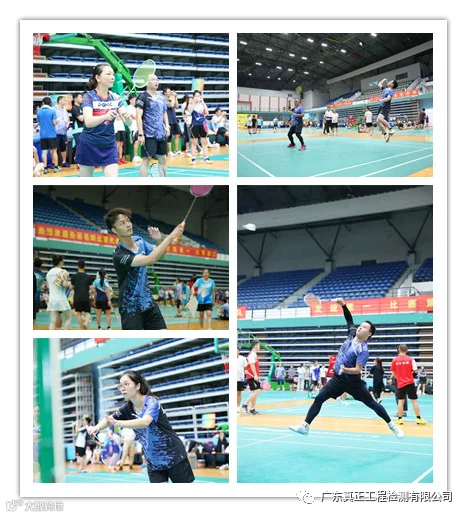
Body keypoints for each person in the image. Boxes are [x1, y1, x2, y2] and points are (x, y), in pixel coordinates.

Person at [289, 297, 404, 439]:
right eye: (360, 325)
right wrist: (343, 305)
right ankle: (305, 426)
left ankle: (393, 426)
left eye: (364, 327)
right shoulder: (351, 334)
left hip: (353, 382)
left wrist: (346, 369)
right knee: (319, 398)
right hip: (337, 380)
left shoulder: (363, 350)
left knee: (371, 403)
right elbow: (349, 320)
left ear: (369, 334)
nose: (360, 327)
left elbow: (358, 370)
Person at [87, 371, 195, 483]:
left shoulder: (152, 402)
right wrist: (96, 428)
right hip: (153, 462)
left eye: (126, 384)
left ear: (138, 386)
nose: (122, 388)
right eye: (120, 385)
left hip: (174, 456)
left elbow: (145, 421)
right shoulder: (127, 408)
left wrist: (119, 423)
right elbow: (108, 419)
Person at [104, 207, 184, 330]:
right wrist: (170, 237)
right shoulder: (119, 255)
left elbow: (160, 256)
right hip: (130, 308)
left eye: (128, 221)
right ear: (114, 230)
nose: (128, 225)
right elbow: (151, 259)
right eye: (122, 223)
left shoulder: (139, 241)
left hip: (148, 303)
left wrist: (158, 240)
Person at [75, 63, 132, 177]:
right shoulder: (89, 97)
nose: (112, 77)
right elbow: (88, 122)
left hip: (108, 144)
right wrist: (105, 116)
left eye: (113, 74)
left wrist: (127, 117)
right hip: (89, 144)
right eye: (108, 74)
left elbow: (128, 123)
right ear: (98, 77)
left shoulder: (116, 97)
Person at [136, 75, 170, 177]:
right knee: (146, 160)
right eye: (153, 80)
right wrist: (141, 133)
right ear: (147, 83)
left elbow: (164, 112)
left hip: (160, 134)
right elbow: (138, 116)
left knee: (163, 159)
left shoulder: (161, 97)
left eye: (157, 80)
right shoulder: (143, 97)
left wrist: (167, 125)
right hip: (148, 134)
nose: (156, 81)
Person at [390, 345, 427, 426]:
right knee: (414, 401)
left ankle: (399, 419)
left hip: (400, 383)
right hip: (410, 383)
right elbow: (416, 371)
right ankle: (419, 418)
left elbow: (393, 373)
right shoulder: (411, 359)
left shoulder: (394, 360)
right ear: (407, 350)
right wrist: (410, 377)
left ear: (398, 350)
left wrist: (399, 378)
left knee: (400, 402)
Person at [46, 254, 72, 330]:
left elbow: (48, 286)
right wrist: (69, 284)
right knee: (68, 318)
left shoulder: (49, 273)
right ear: (61, 262)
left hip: (52, 299)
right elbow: (64, 285)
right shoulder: (63, 272)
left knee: (52, 321)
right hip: (61, 299)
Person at [36, 96, 60, 174]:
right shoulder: (52, 111)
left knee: (44, 152)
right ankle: (56, 167)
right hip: (52, 135)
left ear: (43, 103)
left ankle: (45, 168)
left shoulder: (39, 112)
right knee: (54, 151)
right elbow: (54, 123)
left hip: (43, 135)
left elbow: (39, 123)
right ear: (50, 103)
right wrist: (58, 121)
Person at [188, 90, 212, 165]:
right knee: (194, 142)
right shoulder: (190, 104)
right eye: (196, 96)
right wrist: (193, 103)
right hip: (194, 125)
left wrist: (204, 104)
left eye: (199, 96)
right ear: (193, 97)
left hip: (203, 124)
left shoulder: (202, 104)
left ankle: (206, 158)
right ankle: (193, 158)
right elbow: (189, 112)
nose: (197, 97)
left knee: (204, 142)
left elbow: (207, 113)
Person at [70, 260, 94, 330]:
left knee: (79, 313)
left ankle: (81, 328)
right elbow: (91, 288)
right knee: (88, 312)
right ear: (85, 266)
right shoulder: (88, 277)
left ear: (77, 266)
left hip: (77, 297)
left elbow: (71, 287)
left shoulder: (74, 276)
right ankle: (86, 322)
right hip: (85, 297)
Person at [241, 340, 262, 415]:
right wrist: (255, 375)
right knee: (257, 391)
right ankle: (245, 404)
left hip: (254, 376)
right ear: (255, 346)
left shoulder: (254, 354)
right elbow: (252, 365)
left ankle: (252, 409)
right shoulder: (252, 355)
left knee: (255, 392)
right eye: (259, 345)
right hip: (251, 376)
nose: (259, 347)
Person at [376, 77, 398, 143]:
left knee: (380, 118)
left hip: (385, 107)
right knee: (378, 121)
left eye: (390, 81)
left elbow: (388, 98)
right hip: (381, 107)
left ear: (392, 84)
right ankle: (385, 134)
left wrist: (381, 100)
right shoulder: (385, 89)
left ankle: (391, 129)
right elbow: (379, 84)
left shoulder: (391, 91)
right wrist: (384, 79)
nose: (389, 82)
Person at [162, 87, 182, 157]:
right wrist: (173, 97)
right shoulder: (163, 100)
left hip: (174, 119)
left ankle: (176, 150)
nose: (170, 93)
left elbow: (176, 105)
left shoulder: (171, 99)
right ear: (165, 93)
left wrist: (175, 97)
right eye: (169, 92)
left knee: (177, 134)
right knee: (169, 136)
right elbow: (171, 105)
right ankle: (170, 151)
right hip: (168, 119)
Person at [54, 95, 71, 167]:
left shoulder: (64, 110)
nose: (66, 101)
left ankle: (64, 162)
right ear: (60, 101)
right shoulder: (54, 110)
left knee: (63, 147)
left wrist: (67, 124)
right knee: (54, 148)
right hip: (56, 132)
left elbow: (68, 120)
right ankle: (54, 163)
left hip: (64, 132)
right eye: (64, 100)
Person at [126, 93, 140, 163]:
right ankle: (135, 156)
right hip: (133, 128)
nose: (136, 101)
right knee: (136, 141)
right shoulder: (129, 108)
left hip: (137, 127)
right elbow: (135, 116)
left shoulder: (135, 108)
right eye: (134, 100)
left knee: (138, 141)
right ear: (130, 100)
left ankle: (136, 155)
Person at [70, 92, 84, 165]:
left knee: (84, 146)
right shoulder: (74, 108)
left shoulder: (82, 107)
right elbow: (81, 119)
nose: (82, 99)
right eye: (80, 97)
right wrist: (88, 116)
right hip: (77, 130)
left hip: (84, 129)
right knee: (79, 146)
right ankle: (78, 162)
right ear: (75, 98)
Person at [33, 257, 46, 327]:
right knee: (33, 314)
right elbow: (43, 286)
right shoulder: (42, 275)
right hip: (36, 294)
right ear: (41, 265)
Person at [237, 347, 248, 412]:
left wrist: (245, 371)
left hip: (240, 378)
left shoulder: (243, 358)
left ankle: (238, 406)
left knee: (238, 392)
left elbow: (246, 367)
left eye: (237, 351)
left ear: (239, 351)